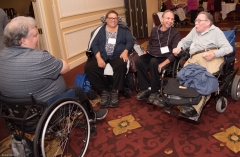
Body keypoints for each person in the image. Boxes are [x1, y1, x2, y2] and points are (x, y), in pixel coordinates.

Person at [0, 16, 108, 122]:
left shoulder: (2, 56)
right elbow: (66, 67)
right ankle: (91, 116)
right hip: (44, 110)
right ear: (23, 41)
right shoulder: (39, 58)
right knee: (77, 91)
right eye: (35, 35)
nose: (38, 38)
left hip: (18, 114)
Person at [172, 11, 233, 117]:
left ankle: (194, 107)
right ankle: (184, 98)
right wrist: (179, 47)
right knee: (183, 75)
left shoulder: (216, 31)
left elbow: (229, 48)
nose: (196, 22)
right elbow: (184, 41)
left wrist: (214, 53)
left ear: (208, 22)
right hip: (194, 57)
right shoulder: (194, 31)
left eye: (199, 20)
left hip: (210, 57)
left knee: (204, 79)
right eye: (196, 20)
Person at [84, 10, 135, 108]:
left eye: (115, 18)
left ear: (118, 19)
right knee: (89, 67)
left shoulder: (124, 30)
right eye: (110, 18)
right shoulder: (100, 30)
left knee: (121, 64)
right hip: (102, 54)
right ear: (106, 19)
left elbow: (130, 41)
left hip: (117, 55)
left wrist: (125, 51)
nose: (113, 20)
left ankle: (115, 91)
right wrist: (98, 58)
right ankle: (103, 91)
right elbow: (94, 44)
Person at [135, 10, 181, 104]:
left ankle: (154, 91)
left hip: (165, 57)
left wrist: (163, 63)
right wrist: (146, 50)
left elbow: (175, 53)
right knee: (139, 61)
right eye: (168, 18)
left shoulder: (175, 33)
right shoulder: (154, 30)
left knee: (153, 62)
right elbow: (150, 43)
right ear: (162, 19)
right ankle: (148, 86)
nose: (170, 21)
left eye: (172, 19)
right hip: (152, 54)